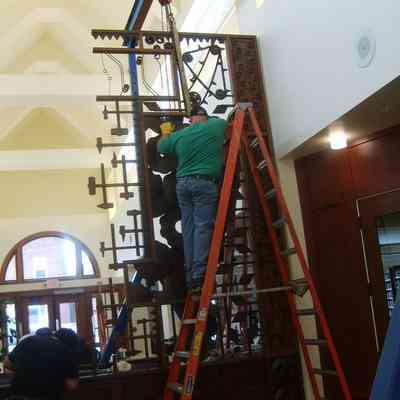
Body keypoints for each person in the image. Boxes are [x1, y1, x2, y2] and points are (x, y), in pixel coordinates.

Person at [157, 107, 227, 292]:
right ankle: (198, 275)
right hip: (204, 184)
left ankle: (191, 277)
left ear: (190, 120)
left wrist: (166, 132)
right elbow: (224, 121)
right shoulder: (214, 126)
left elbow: (162, 147)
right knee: (203, 227)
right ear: (204, 117)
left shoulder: (180, 135)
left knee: (188, 230)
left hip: (182, 185)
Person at [4, 328, 80, 400]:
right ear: (71, 344)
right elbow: (71, 385)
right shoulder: (65, 350)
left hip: (18, 395)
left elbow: (7, 364)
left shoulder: (28, 340)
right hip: (48, 396)